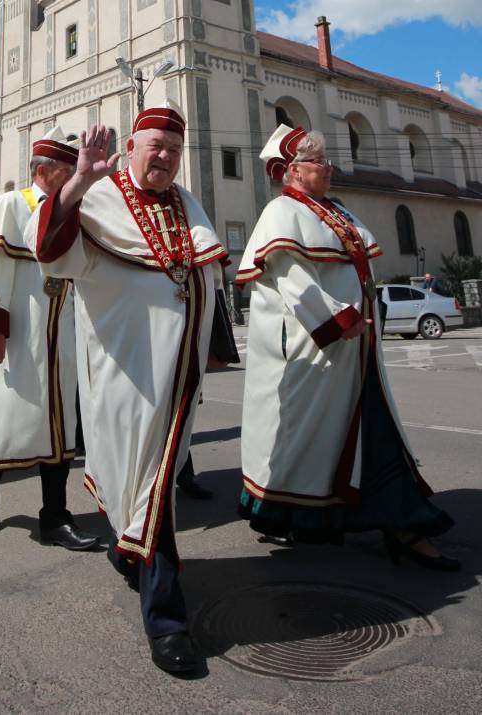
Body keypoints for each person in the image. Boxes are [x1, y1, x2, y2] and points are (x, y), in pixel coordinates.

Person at [26, 108, 229, 675]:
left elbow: (205, 276)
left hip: (180, 375)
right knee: (149, 481)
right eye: (154, 146)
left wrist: (218, 345)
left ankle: (128, 550)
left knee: (155, 484)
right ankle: (166, 623)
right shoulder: (99, 196)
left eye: (173, 148)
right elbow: (50, 248)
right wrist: (81, 179)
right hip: (125, 374)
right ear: (133, 146)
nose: (163, 156)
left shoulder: (188, 203)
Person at [236, 124, 458, 570]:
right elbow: (293, 281)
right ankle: (329, 521)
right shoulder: (281, 213)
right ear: (293, 171)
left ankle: (403, 526)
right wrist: (339, 319)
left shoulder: (333, 210)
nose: (329, 168)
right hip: (319, 352)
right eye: (320, 161)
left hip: (357, 352)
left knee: (360, 437)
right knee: (315, 442)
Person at [0, 127, 98, 553]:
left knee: (59, 427)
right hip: (17, 333)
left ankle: (55, 519)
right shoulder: (11, 205)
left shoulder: (74, 210)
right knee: (3, 418)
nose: (71, 176)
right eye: (66, 169)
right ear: (45, 171)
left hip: (61, 336)